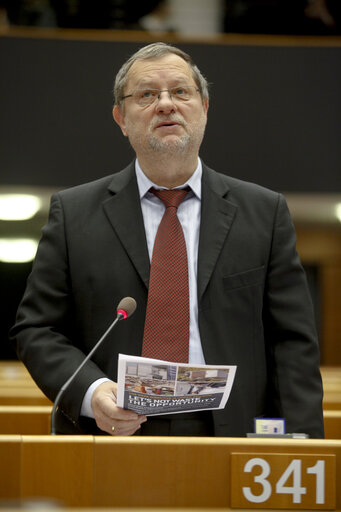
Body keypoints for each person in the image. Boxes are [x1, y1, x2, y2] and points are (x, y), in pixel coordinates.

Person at [10, 42, 324, 438]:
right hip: (112, 433)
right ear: (121, 118)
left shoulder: (264, 213)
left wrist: (304, 452)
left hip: (231, 433)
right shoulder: (73, 214)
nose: (165, 104)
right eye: (146, 94)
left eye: (180, 91)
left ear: (204, 110)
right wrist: (93, 392)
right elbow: (37, 330)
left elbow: (292, 344)